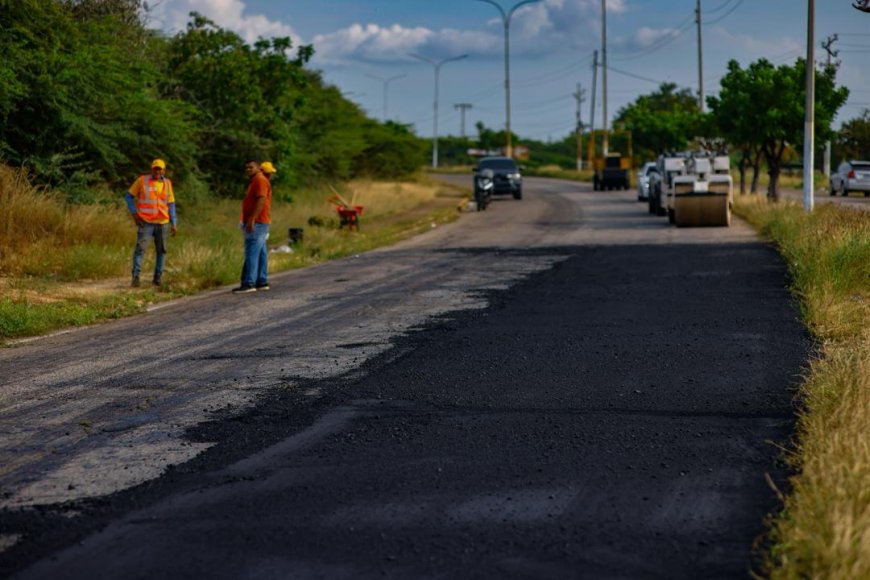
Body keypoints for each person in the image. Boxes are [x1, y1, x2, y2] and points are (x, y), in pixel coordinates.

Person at [125, 159, 177, 287]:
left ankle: (157, 278)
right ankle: (136, 277)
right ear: (151, 169)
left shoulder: (167, 183)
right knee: (140, 250)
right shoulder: (142, 180)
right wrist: (134, 214)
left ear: (164, 171)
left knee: (162, 251)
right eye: (155, 168)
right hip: (146, 222)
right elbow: (128, 196)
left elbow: (171, 204)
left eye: (160, 169)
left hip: (163, 222)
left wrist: (174, 222)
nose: (157, 171)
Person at [233, 159, 272, 293]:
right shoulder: (255, 180)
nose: (248, 170)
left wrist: (252, 219)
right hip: (260, 221)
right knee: (260, 252)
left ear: (258, 168)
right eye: (246, 168)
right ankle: (261, 280)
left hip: (258, 221)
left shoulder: (259, 180)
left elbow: (261, 199)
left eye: (251, 167)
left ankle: (249, 283)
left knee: (252, 251)